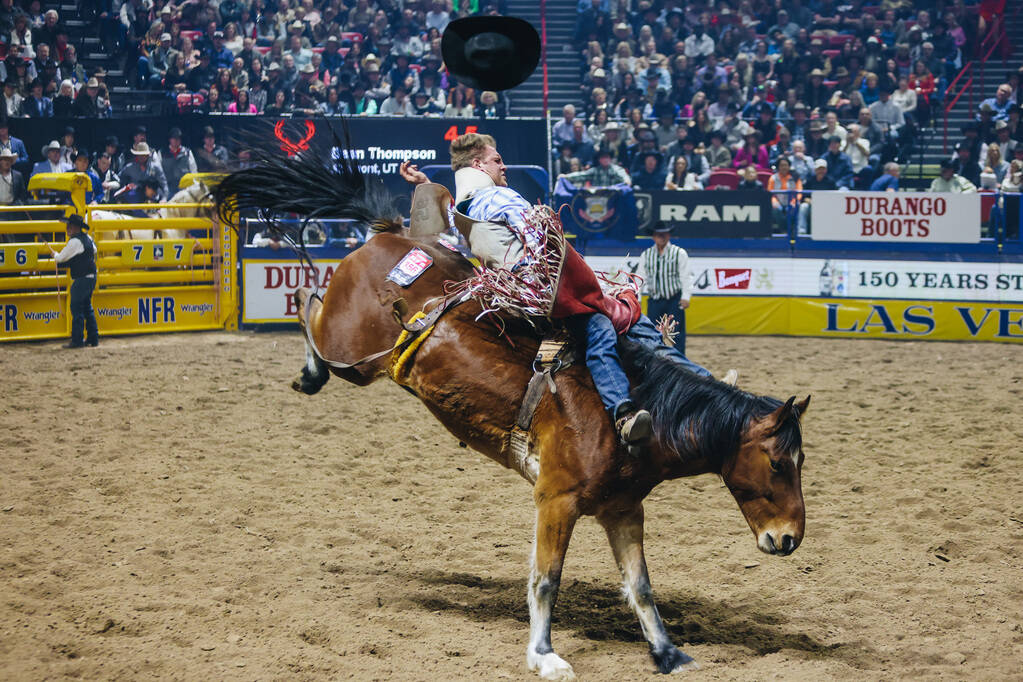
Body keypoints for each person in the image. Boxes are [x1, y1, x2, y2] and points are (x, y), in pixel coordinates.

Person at [399, 132, 717, 445]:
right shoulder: (501, 197)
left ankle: (695, 382)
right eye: (497, 161)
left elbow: (447, 228)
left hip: (506, 296)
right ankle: (630, 410)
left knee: (616, 321)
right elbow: (536, 236)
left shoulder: (466, 209)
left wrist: (423, 184)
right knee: (608, 324)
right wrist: (558, 277)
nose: (504, 166)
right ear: (479, 165)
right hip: (540, 291)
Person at [639, 222, 692, 354]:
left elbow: (686, 275)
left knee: (677, 335)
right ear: (653, 237)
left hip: (674, 300)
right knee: (652, 334)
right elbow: (639, 278)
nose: (661, 237)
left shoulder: (679, 253)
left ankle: (680, 362)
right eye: (658, 234)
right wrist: (637, 298)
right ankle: (655, 361)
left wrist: (686, 297)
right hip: (655, 301)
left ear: (668, 235)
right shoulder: (646, 255)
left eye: (664, 234)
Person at [46, 214, 98, 348]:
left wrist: (55, 255)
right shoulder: (88, 238)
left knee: (76, 308)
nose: (67, 228)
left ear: (75, 227)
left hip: (81, 278)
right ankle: (93, 338)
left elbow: (61, 258)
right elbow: (94, 250)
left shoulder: (74, 242)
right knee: (87, 307)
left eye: (69, 225)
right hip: (91, 277)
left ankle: (77, 340)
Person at [799, 159, 838, 235]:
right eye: (819, 169)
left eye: (822, 169)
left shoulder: (831, 182)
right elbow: (804, 197)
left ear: (826, 170)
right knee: (803, 207)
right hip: (812, 204)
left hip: (827, 205)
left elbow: (834, 197)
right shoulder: (809, 180)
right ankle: (802, 231)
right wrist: (811, 201)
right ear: (815, 170)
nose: (821, 171)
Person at [559, 148, 630, 186]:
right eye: (602, 157)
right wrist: (566, 176)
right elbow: (581, 175)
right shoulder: (595, 171)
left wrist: (627, 181)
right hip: (597, 198)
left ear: (610, 159)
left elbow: (624, 176)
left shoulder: (616, 169)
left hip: (614, 199)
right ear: (599, 160)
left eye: (607, 157)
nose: (605, 159)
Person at [160, 127, 198, 194]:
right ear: (170, 139)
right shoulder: (162, 152)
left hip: (185, 188)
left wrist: (194, 186)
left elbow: (194, 171)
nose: (176, 140)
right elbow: (160, 172)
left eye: (178, 138)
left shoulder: (187, 152)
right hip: (168, 188)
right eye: (174, 138)